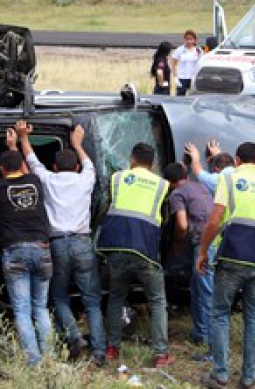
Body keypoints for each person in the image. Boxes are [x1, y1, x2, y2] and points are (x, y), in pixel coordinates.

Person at [196, 142, 255, 389]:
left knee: (219, 314)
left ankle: (220, 374)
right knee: (253, 317)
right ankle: (249, 378)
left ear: (237, 161)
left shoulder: (228, 181)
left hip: (231, 258)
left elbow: (214, 221)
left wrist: (203, 252)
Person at [13, 120, 106, 364]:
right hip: (83, 243)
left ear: (54, 166)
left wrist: (23, 138)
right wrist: (78, 143)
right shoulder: (86, 179)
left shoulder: (48, 180)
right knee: (92, 300)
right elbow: (89, 164)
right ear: (76, 167)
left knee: (59, 295)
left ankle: (74, 336)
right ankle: (98, 352)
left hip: (56, 245)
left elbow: (32, 160)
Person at [97, 143, 174, 368]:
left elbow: (108, 206)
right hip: (145, 252)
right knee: (158, 301)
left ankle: (112, 347)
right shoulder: (162, 185)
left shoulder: (118, 178)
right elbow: (165, 219)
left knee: (116, 298)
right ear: (152, 163)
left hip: (118, 249)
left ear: (132, 159)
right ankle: (160, 354)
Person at [0, 131, 54, 367]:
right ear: (22, 166)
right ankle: (50, 358)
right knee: (40, 308)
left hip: (14, 251)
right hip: (42, 248)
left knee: (22, 310)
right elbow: (24, 168)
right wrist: (14, 145)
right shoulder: (34, 181)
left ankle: (34, 361)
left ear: (3, 169)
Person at [163, 162, 214, 349]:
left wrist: (177, 245)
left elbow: (182, 225)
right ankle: (200, 332)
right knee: (198, 287)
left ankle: (208, 339)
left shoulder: (177, 194)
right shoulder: (201, 186)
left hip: (204, 243)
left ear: (169, 182)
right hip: (215, 239)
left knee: (205, 289)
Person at [171, 30, 202, 96]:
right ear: (184, 40)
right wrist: (175, 77)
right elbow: (173, 63)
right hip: (182, 77)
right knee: (180, 96)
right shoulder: (180, 50)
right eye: (187, 39)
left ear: (195, 40)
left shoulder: (198, 50)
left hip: (194, 78)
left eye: (191, 39)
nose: (189, 41)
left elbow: (201, 63)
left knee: (194, 96)